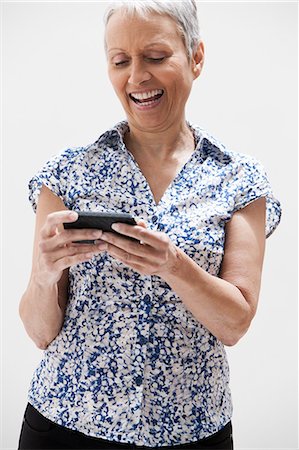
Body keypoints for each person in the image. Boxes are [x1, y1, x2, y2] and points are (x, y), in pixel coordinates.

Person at [18, 1, 281, 449]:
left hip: (192, 432)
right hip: (66, 425)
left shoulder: (239, 177)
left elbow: (235, 323)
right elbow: (41, 332)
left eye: (156, 57)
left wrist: (174, 265)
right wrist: (43, 275)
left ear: (196, 57)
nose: (137, 77)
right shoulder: (67, 172)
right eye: (121, 61)